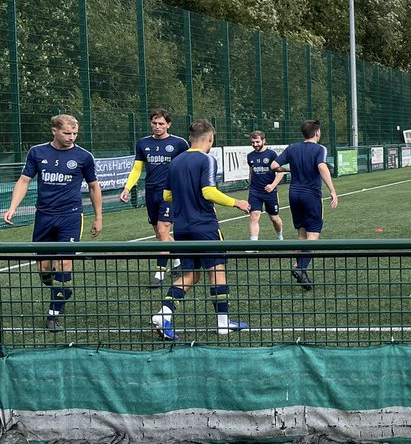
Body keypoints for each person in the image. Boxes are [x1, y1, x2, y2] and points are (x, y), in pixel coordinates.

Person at [149, 119, 251, 341]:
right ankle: (223, 324)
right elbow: (208, 192)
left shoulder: (175, 162)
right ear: (211, 138)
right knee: (217, 271)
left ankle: (163, 314)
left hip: (182, 228)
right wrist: (237, 202)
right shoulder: (206, 159)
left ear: (189, 139)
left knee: (190, 275)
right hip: (205, 226)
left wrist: (186, 198)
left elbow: (166, 196)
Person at [4, 114, 103, 332]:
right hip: (43, 217)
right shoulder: (37, 152)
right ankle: (60, 288)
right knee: (44, 269)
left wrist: (98, 217)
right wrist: (12, 207)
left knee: (65, 263)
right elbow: (24, 181)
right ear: (54, 131)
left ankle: (53, 313)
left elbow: (94, 187)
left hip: (70, 217)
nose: (71, 137)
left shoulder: (84, 156)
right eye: (67, 133)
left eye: (75, 133)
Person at [119, 107, 187, 287]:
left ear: (169, 125)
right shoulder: (143, 143)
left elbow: (187, 166)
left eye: (161, 123)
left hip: (170, 194)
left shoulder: (179, 144)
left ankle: (160, 273)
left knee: (164, 231)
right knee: (159, 234)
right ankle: (178, 259)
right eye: (154, 123)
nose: (157, 126)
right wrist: (127, 187)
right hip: (151, 193)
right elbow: (137, 168)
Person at [270, 119, 339, 291]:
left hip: (294, 195)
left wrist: (288, 169)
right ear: (317, 133)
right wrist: (332, 190)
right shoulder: (319, 149)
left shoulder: (293, 148)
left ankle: (300, 268)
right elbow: (322, 167)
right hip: (311, 196)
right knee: (313, 236)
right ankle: (300, 268)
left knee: (301, 233)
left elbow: (274, 166)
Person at [246, 131, 285, 243]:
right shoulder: (250, 156)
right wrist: (250, 184)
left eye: (257, 141)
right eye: (253, 142)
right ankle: (254, 244)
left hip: (270, 192)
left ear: (264, 140)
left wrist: (272, 185)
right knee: (254, 216)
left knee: (274, 218)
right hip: (255, 192)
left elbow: (281, 172)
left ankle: (279, 237)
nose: (255, 144)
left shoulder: (272, 154)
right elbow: (251, 172)